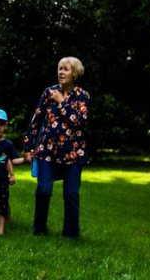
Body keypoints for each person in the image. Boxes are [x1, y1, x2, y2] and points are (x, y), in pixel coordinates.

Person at [24, 57, 90, 239]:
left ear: (75, 73)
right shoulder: (49, 92)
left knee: (71, 194)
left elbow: (79, 122)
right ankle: (39, 229)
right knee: (43, 190)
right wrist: (28, 146)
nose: (61, 72)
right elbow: (36, 120)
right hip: (46, 151)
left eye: (66, 69)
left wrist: (62, 103)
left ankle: (70, 234)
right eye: (60, 69)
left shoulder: (82, 96)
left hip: (74, 153)